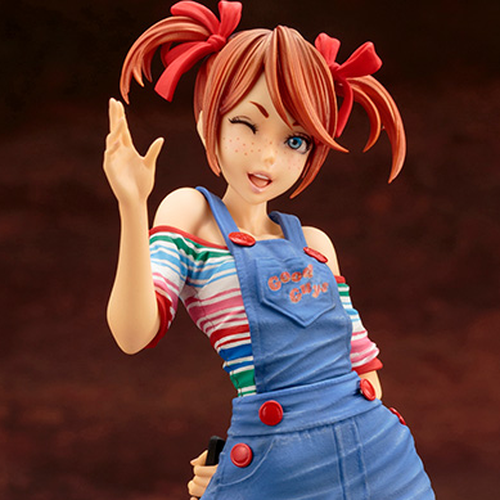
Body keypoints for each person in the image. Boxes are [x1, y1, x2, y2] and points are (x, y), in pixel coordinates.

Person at [104, 1, 435, 498]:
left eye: (295, 140)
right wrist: (133, 205)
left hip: (385, 459)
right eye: (247, 124)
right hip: (280, 467)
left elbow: (363, 374)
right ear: (208, 121)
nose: (267, 157)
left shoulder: (316, 245)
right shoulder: (190, 214)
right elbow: (133, 334)